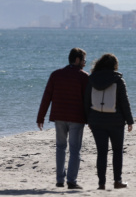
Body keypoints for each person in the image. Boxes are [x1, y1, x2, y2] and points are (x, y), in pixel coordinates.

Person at [36, 48, 89, 189]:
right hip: (76, 118)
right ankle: (71, 181)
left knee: (60, 147)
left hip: (59, 118)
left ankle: (60, 180)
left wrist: (40, 116)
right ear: (77, 60)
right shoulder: (84, 77)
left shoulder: (56, 75)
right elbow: (88, 101)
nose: (85, 63)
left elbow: (46, 96)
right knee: (75, 149)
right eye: (84, 60)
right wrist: (91, 119)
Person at [84, 53, 134, 190]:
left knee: (102, 152)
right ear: (114, 66)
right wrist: (130, 121)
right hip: (116, 121)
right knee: (117, 151)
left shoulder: (91, 79)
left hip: (96, 121)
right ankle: (117, 181)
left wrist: (88, 119)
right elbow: (124, 102)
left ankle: (101, 184)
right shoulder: (118, 81)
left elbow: (86, 101)